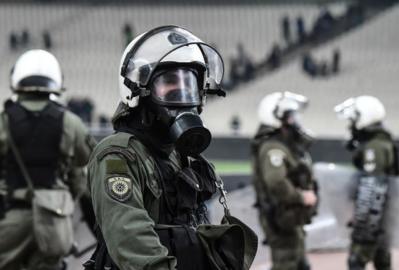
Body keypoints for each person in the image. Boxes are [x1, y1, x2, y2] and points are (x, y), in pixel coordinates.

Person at [84, 25, 256, 270]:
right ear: (138, 90)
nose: (182, 94)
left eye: (188, 85)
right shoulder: (118, 154)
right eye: (169, 84)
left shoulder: (177, 155)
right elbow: (130, 237)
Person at [0, 49, 95, 270]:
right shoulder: (71, 123)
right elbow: (86, 162)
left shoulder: (4, 122)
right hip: (54, 221)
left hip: (9, 218)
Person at [252, 91, 318, 270]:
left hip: (290, 217)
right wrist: (301, 197)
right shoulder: (273, 147)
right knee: (286, 263)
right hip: (281, 218)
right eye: (290, 116)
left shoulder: (283, 146)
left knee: (298, 263)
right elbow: (276, 181)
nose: (295, 121)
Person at [335, 95, 399, 270]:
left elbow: (372, 188)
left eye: (354, 119)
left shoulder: (375, 147)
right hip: (381, 216)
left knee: (357, 260)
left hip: (374, 218)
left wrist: (364, 225)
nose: (351, 124)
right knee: (382, 261)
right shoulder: (380, 142)